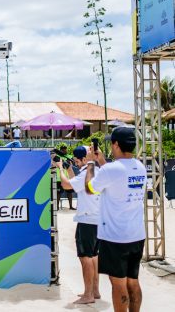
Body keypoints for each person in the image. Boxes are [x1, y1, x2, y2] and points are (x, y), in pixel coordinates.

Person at [85, 127, 147, 312]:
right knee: (133, 281)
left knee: (118, 283)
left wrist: (90, 164)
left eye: (112, 143)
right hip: (136, 234)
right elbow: (116, 176)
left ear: (117, 144)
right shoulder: (140, 166)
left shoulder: (111, 170)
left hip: (115, 237)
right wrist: (101, 161)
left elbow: (90, 189)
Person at [58, 146, 101, 304]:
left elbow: (66, 185)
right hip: (98, 220)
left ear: (84, 159)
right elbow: (75, 182)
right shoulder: (96, 171)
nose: (76, 163)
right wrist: (70, 169)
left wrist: (60, 168)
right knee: (94, 256)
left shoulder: (85, 174)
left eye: (77, 160)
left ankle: (88, 294)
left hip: (86, 220)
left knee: (85, 258)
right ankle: (95, 291)